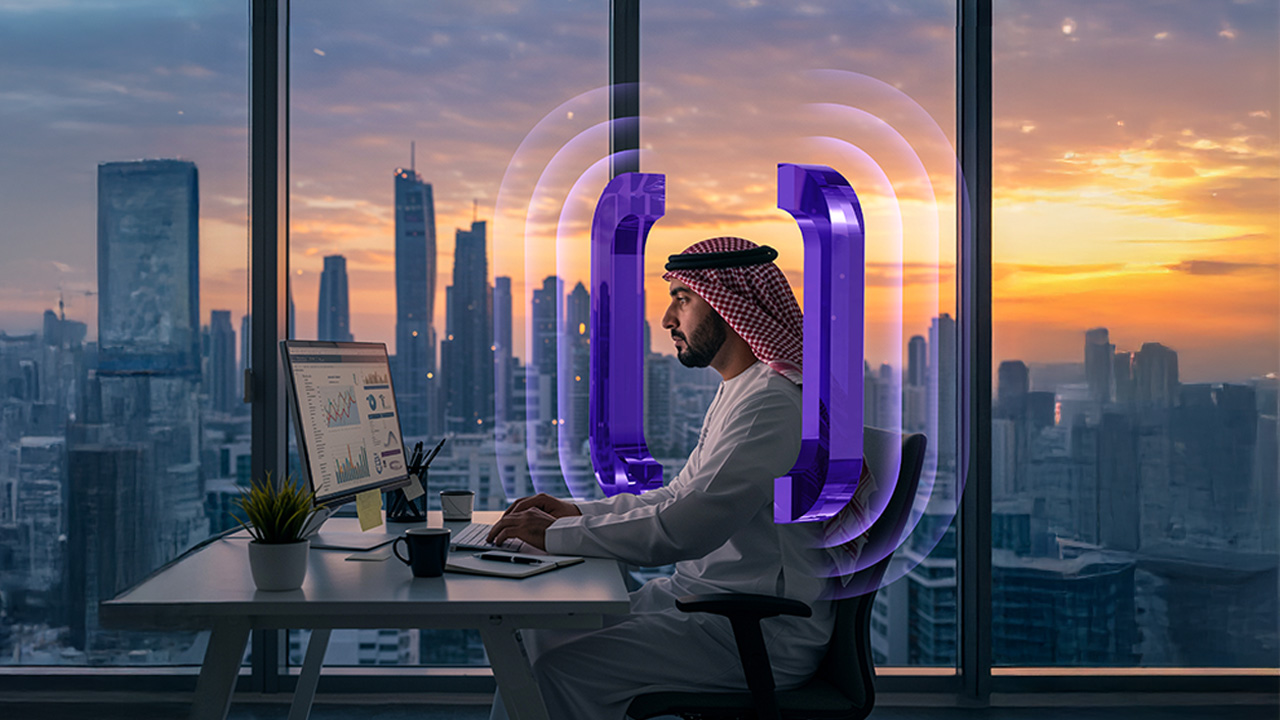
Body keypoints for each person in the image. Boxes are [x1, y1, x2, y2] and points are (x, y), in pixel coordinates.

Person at [486, 237, 832, 720]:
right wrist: (571, 513)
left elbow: (685, 528)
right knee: (541, 635)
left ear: (730, 308)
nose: (669, 319)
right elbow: (676, 498)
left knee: (558, 669)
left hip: (754, 627)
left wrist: (555, 534)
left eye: (683, 300)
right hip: (704, 602)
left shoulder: (770, 403)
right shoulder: (743, 390)